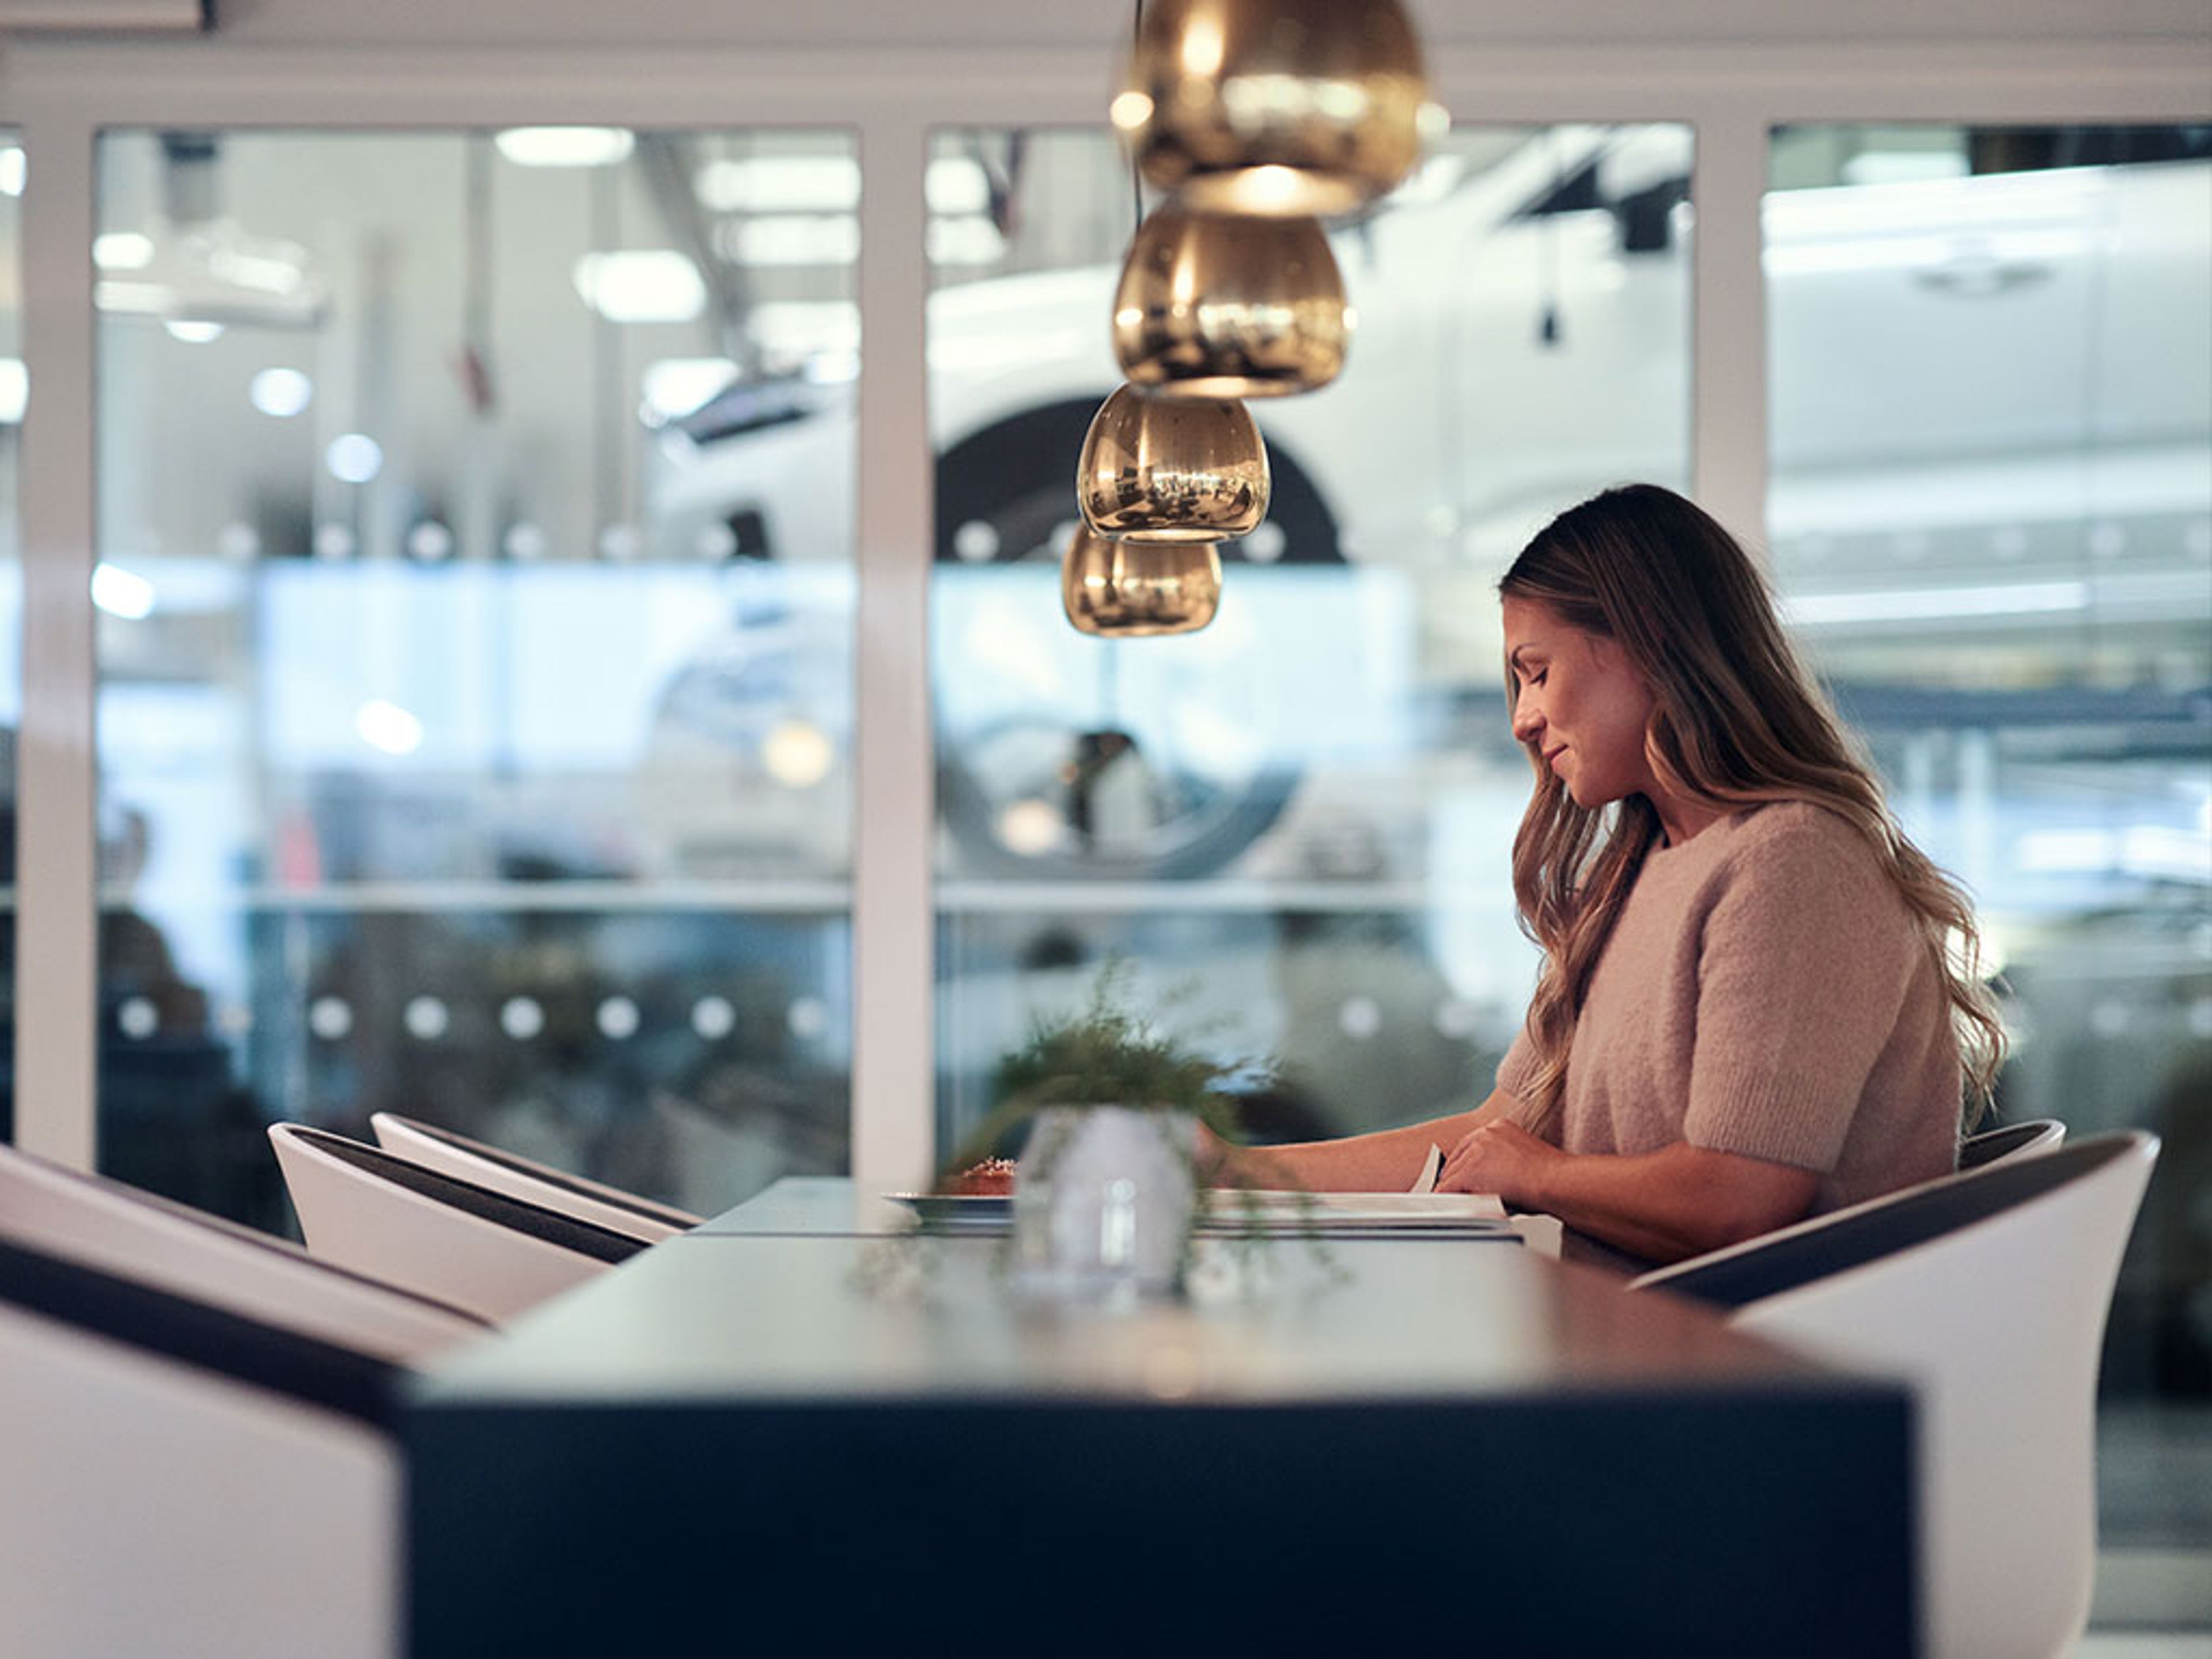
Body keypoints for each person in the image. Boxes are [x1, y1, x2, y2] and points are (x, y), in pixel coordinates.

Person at [1206, 482, 2007, 1268]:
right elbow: (1494, 1138)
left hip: (1759, 1365)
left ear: (1647, 641)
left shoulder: (1792, 863)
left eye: (1536, 671)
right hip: (1649, 1337)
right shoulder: (1641, 869)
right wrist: (1230, 1173)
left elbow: (1739, 1202)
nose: (1521, 718)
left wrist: (1542, 1175)